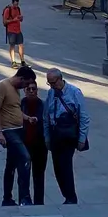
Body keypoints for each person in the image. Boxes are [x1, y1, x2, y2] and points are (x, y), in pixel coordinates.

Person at [43, 70, 90, 204]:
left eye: (53, 83)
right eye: (49, 83)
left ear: (60, 79)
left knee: (65, 165)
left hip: (68, 134)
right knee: (57, 166)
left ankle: (71, 196)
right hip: (55, 134)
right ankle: (66, 194)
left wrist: (82, 138)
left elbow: (84, 117)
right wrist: (47, 137)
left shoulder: (75, 92)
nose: (51, 86)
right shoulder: (51, 93)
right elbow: (46, 115)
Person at [0, 67, 33, 207]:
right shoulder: (2, 86)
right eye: (26, 84)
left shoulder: (16, 89)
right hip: (9, 131)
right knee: (25, 158)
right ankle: (25, 198)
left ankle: (7, 198)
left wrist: (27, 118)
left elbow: (15, 108)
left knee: (11, 165)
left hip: (19, 130)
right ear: (21, 78)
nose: (26, 87)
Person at [21, 78, 47, 205]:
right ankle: (24, 199)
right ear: (24, 91)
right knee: (23, 174)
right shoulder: (21, 105)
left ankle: (39, 201)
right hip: (25, 144)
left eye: (34, 89)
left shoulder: (43, 105)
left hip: (40, 145)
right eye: (28, 89)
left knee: (39, 175)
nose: (31, 91)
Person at [2, 0, 24, 64]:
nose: (16, 6)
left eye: (17, 4)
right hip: (11, 31)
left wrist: (21, 18)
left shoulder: (18, 9)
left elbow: (20, 19)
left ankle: (22, 60)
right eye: (15, 4)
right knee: (12, 46)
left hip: (18, 30)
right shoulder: (8, 10)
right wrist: (13, 20)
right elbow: (5, 22)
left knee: (21, 45)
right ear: (12, 3)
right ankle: (13, 61)